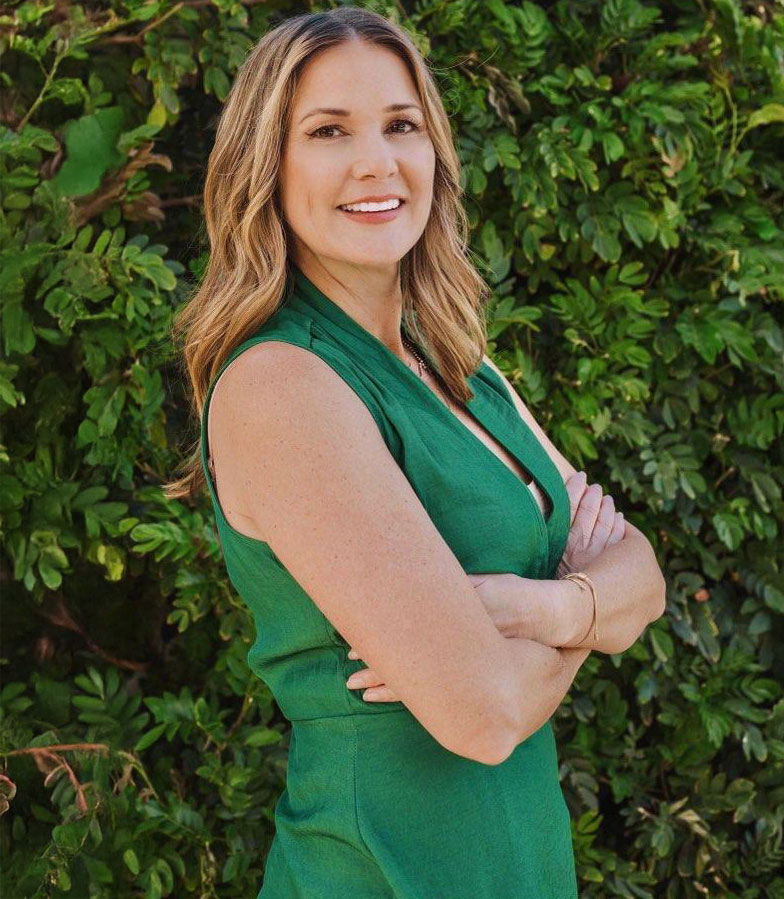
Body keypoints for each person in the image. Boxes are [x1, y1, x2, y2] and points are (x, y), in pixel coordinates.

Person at [166, 8, 666, 897]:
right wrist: (588, 612)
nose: (376, 162)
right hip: (381, 867)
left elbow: (647, 578)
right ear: (265, 168)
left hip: (514, 861)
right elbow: (485, 714)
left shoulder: (460, 367)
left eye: (401, 125)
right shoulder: (283, 385)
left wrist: (532, 611)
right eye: (327, 132)